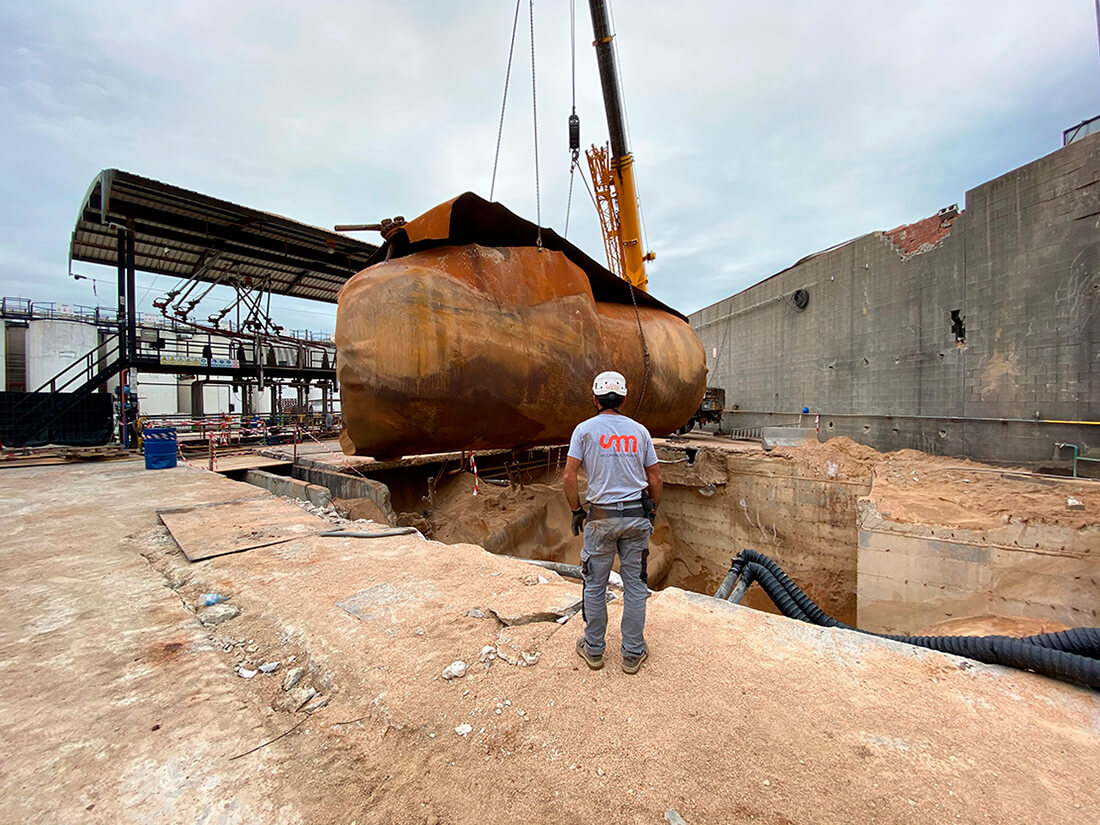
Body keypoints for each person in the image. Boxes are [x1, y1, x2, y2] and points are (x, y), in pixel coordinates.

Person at [563, 370, 662, 674]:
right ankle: (632, 653)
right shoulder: (640, 432)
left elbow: (569, 476)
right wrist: (652, 510)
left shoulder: (584, 431)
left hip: (601, 518)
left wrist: (577, 510)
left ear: (594, 398)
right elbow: (655, 478)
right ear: (623, 398)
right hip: (636, 517)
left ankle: (594, 650)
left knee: (594, 585)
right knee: (634, 586)